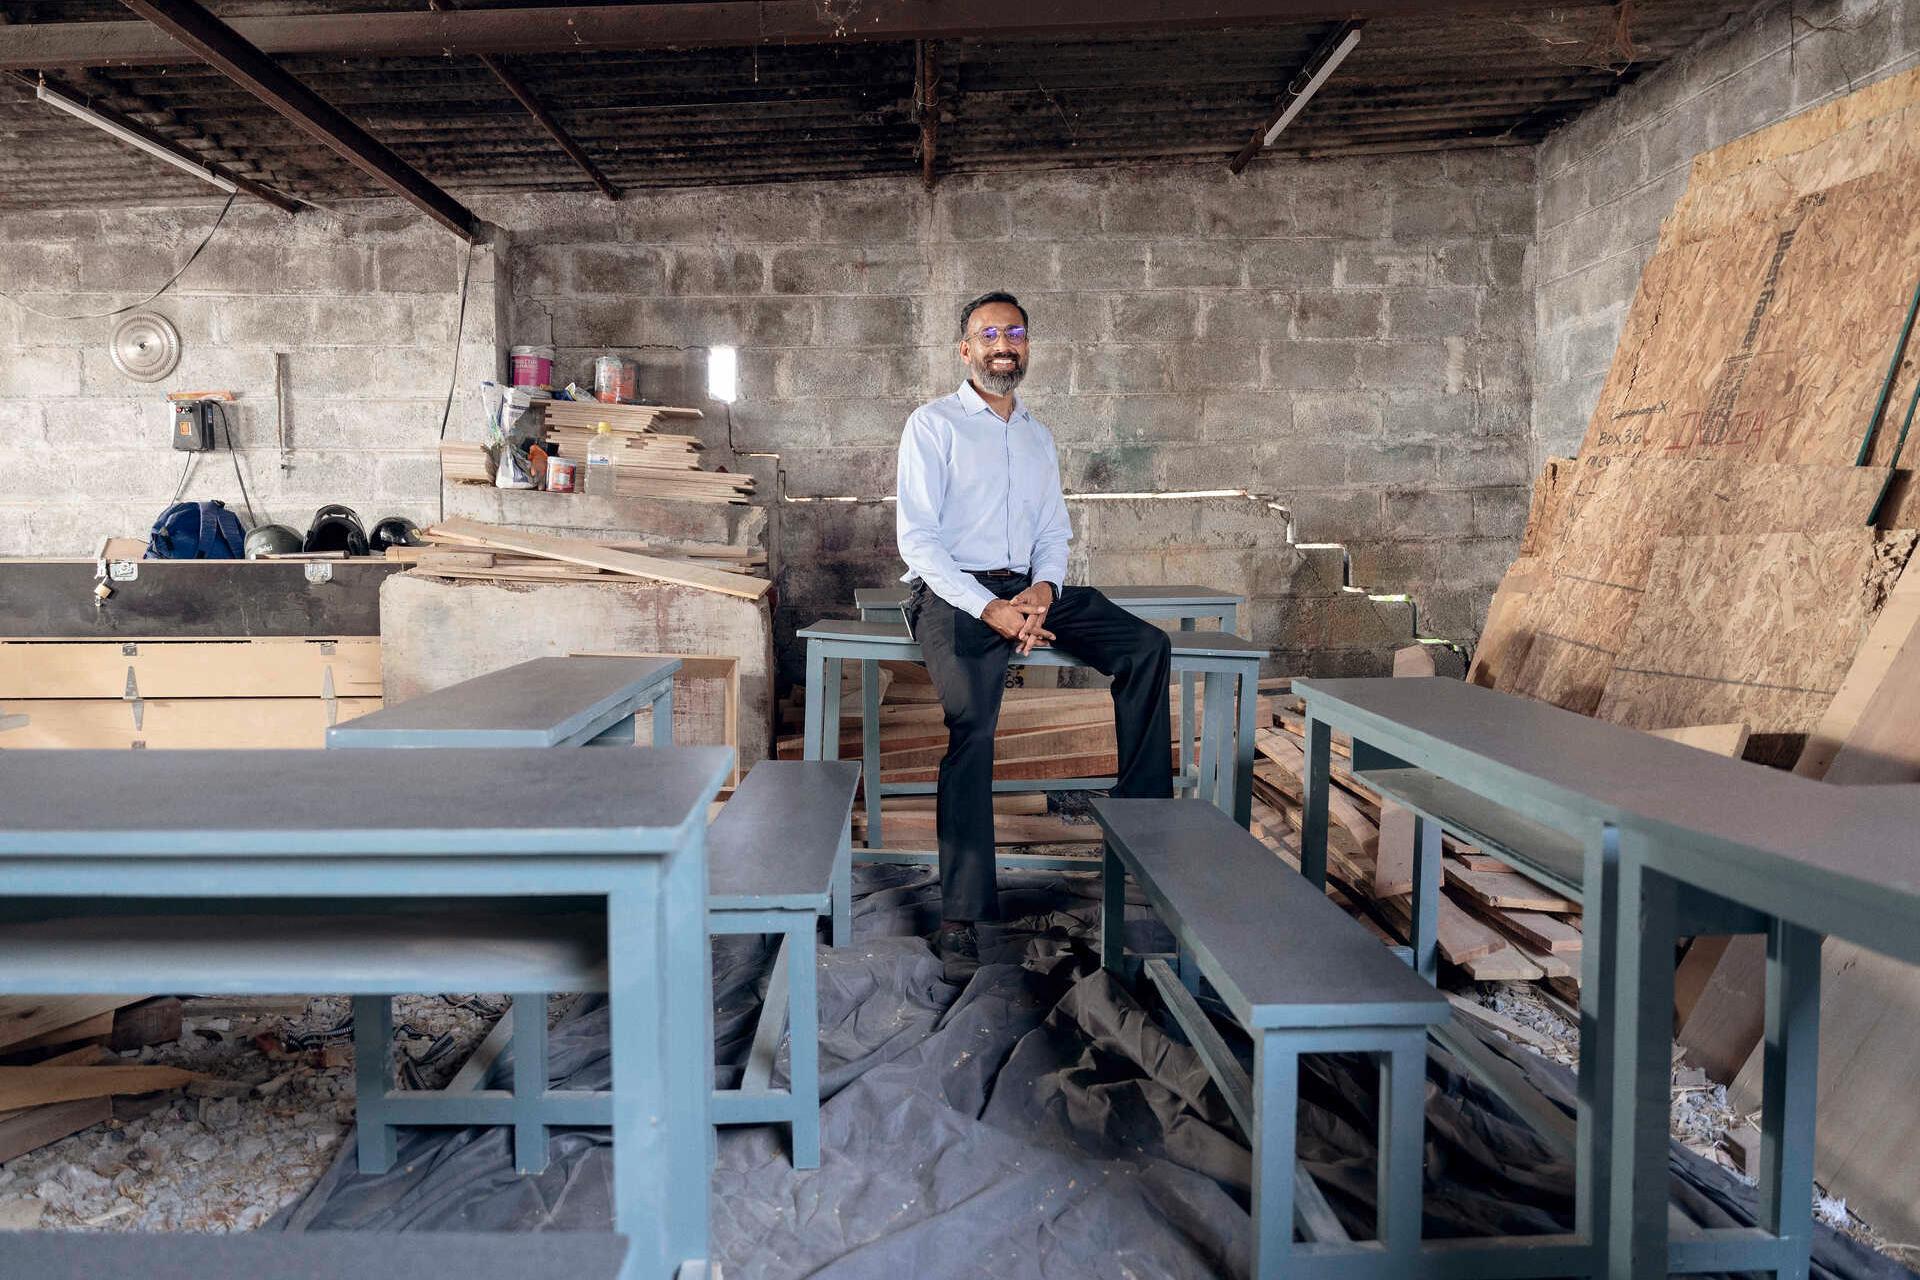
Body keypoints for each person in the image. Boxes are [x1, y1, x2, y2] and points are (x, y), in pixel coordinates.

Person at [895, 290, 1174, 982]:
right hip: (954, 593)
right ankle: (961, 915)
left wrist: (1044, 592)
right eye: (987, 334)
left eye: (1013, 333)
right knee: (973, 726)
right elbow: (919, 542)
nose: (1002, 344)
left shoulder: (1039, 436)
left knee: (1146, 649)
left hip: (1027, 587)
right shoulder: (932, 427)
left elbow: (1054, 533)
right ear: (965, 351)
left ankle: (1146, 842)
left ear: (1026, 346)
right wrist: (990, 609)